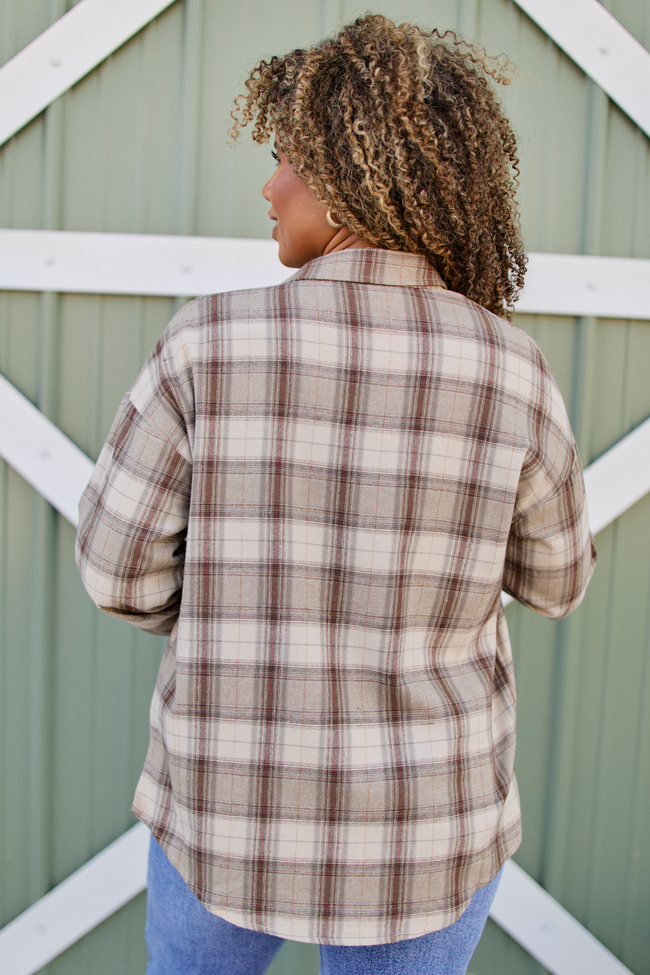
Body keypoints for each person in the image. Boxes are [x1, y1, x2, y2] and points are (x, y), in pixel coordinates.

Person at [75, 15, 596, 975]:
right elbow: (558, 582)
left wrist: (237, 613)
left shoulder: (204, 346)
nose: (268, 187)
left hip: (226, 808)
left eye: (286, 159)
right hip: (427, 832)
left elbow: (117, 575)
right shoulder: (512, 370)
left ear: (355, 175)